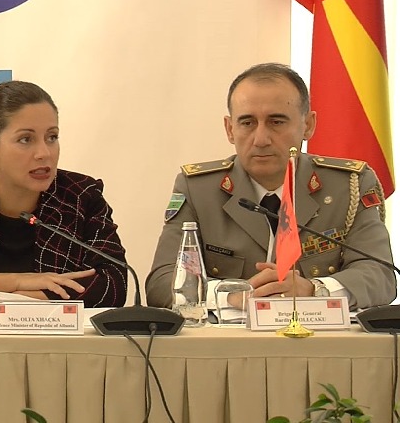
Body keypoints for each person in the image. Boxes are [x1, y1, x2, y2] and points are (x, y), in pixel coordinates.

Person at [146, 63, 396, 311]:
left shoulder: (348, 185)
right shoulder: (199, 189)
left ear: (308, 125)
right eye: (247, 123)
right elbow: (161, 283)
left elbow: (380, 276)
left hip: (319, 335)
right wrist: (231, 296)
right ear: (230, 129)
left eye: (276, 122)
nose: (261, 139)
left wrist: (314, 290)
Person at [0, 80, 128, 308]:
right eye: (26, 139)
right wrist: (16, 281)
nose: (44, 153)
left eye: (52, 137)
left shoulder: (81, 196)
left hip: (56, 333)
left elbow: (114, 283)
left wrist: (14, 300)